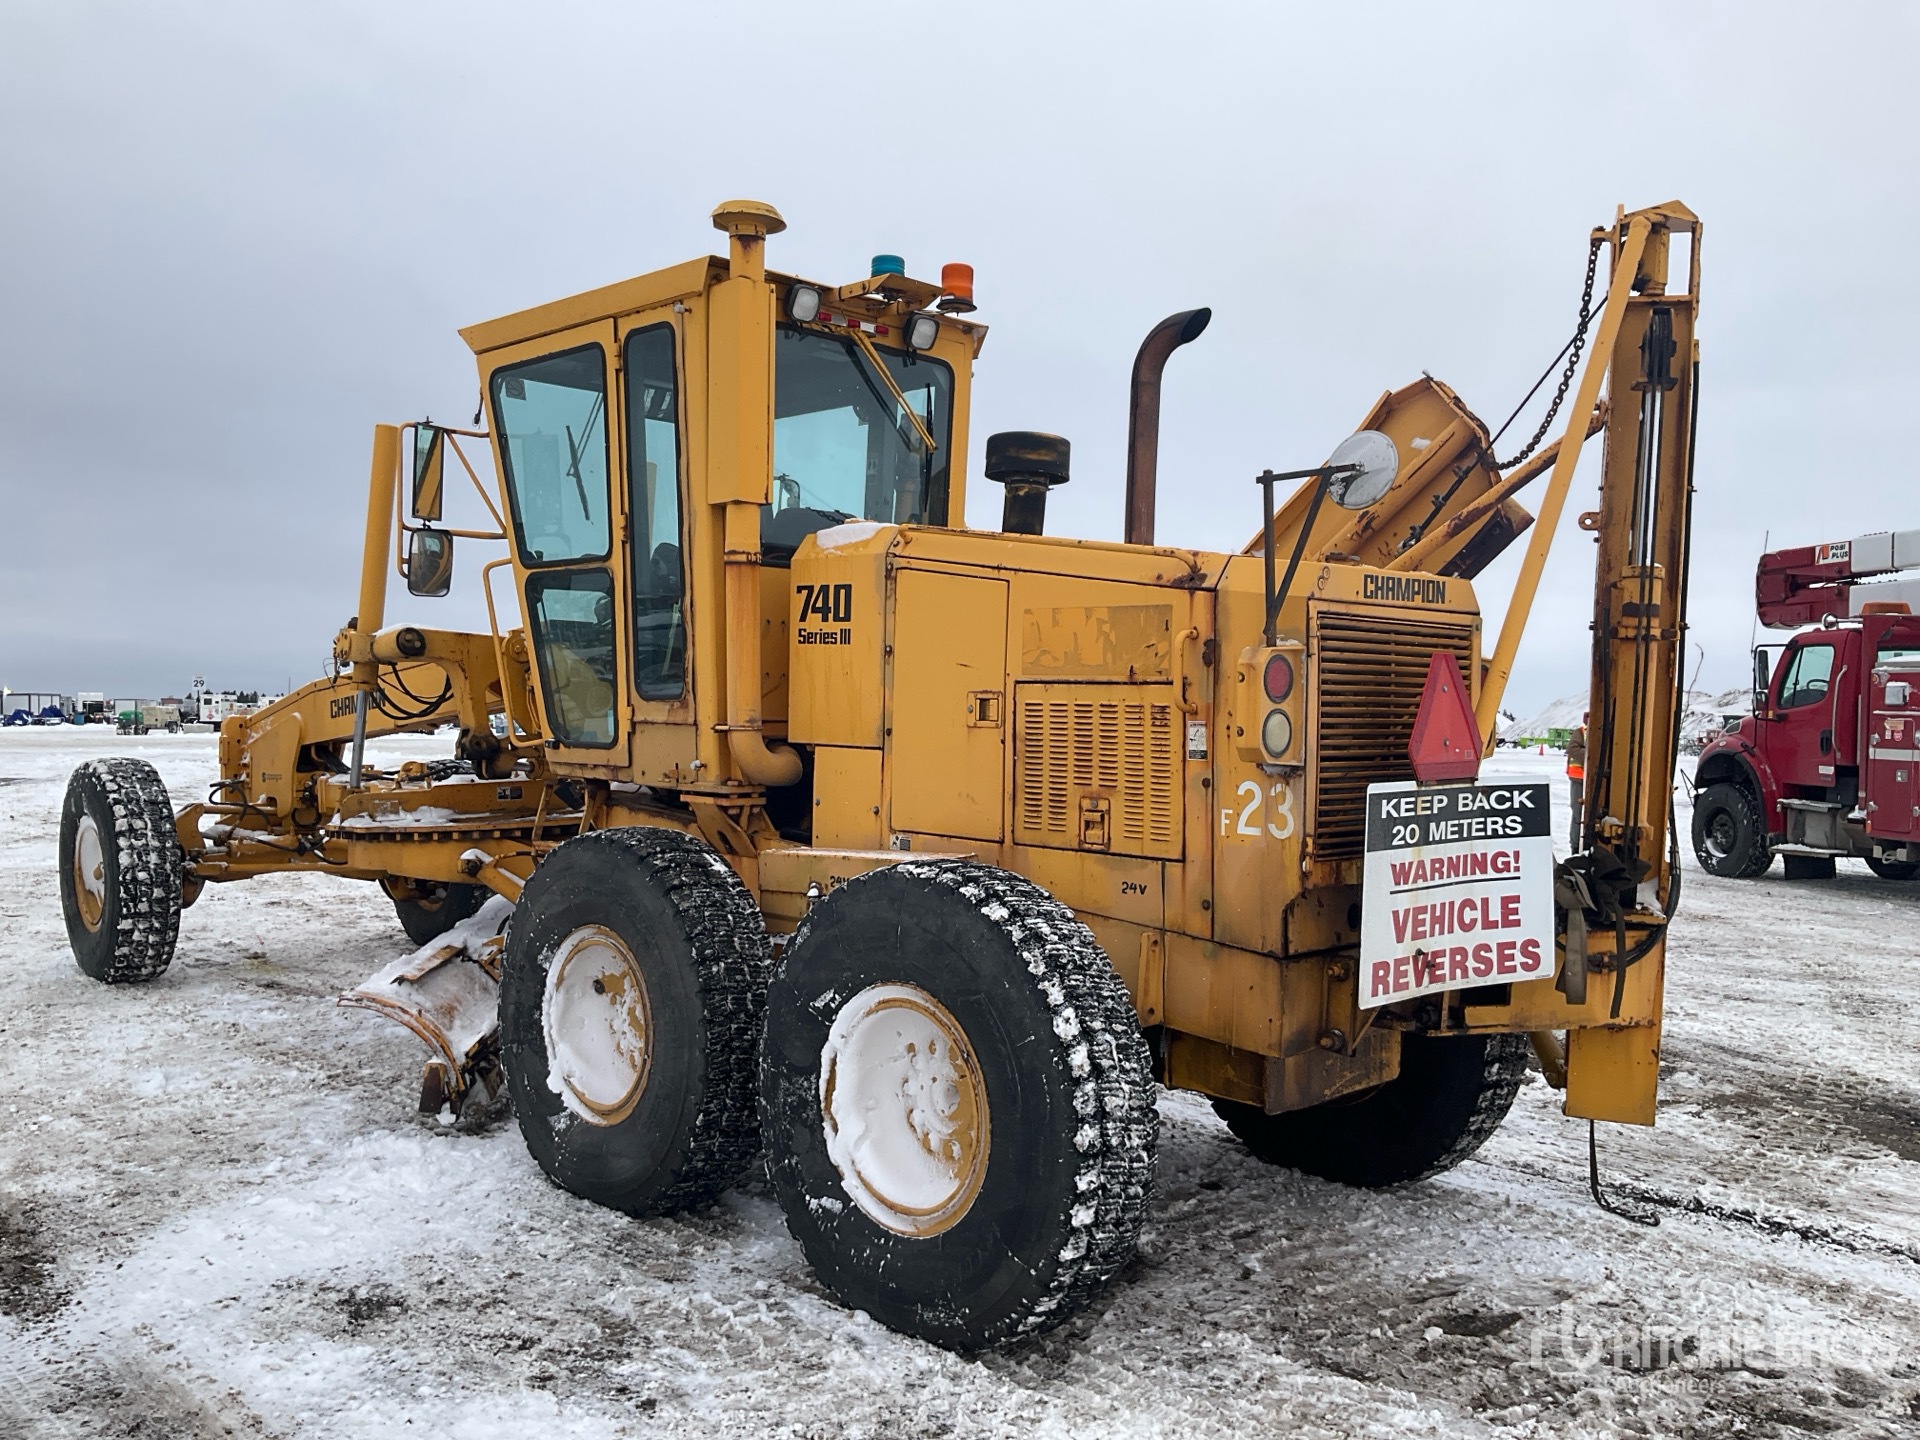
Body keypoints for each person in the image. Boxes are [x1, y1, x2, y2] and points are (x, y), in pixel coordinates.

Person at [1566, 713, 1588, 847]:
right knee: (1578, 815)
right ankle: (1575, 846)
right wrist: (1592, 755)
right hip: (1579, 779)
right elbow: (1573, 749)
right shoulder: (1580, 733)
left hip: (1597, 780)